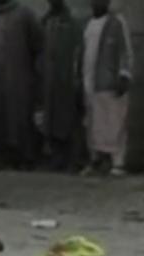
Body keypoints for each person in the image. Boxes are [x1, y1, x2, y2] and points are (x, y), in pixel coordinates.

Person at [0, 0, 44, 169]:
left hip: (20, 76)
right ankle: (2, 155)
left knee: (20, 117)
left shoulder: (24, 14)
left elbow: (39, 45)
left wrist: (36, 72)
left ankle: (26, 157)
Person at [80, 0, 133, 177]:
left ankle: (118, 163)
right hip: (89, 82)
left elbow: (125, 51)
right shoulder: (88, 24)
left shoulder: (117, 23)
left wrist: (124, 74)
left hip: (110, 82)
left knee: (114, 122)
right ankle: (96, 160)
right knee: (93, 124)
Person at [40, 0, 82, 171]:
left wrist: (76, 77)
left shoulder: (72, 23)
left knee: (67, 120)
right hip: (49, 80)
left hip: (66, 79)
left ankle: (71, 160)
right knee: (51, 120)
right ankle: (55, 157)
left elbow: (79, 52)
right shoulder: (45, 22)